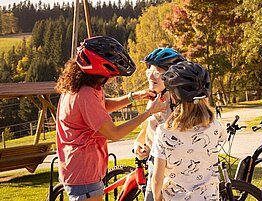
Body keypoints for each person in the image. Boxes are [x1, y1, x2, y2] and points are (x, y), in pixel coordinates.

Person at [55, 36, 167, 201]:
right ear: (100, 71)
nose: (115, 78)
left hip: (81, 169)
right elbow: (114, 133)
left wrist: (133, 97)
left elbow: (102, 106)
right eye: (113, 74)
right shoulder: (84, 94)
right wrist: (149, 112)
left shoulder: (86, 88)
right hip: (84, 172)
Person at [151, 61, 228, 201]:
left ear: (174, 97)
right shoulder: (215, 126)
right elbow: (223, 137)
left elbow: (157, 178)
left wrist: (157, 197)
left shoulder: (163, 132)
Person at [132, 47, 186, 201]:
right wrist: (139, 143)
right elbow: (147, 129)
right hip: (154, 163)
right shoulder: (154, 100)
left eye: (156, 73)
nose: (150, 77)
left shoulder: (180, 105)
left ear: (171, 77)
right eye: (149, 72)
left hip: (173, 170)